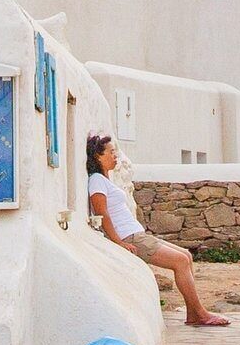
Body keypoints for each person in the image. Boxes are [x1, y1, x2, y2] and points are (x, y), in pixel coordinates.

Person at [85, 134, 229, 327]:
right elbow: (103, 215)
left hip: (138, 235)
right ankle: (200, 314)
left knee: (186, 255)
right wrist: (119, 242)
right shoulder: (96, 180)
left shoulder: (105, 179)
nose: (115, 155)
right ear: (98, 156)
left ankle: (193, 313)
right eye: (111, 152)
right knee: (179, 262)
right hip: (131, 238)